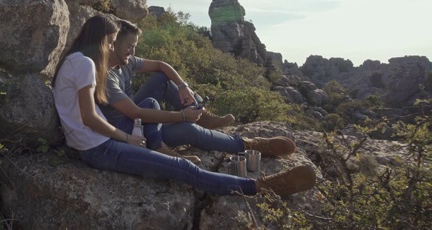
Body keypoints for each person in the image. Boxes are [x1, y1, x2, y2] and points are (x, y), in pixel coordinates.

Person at [52, 14, 316, 197]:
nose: (111, 48)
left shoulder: (79, 60)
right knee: (184, 169)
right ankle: (262, 186)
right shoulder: (87, 64)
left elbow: (90, 114)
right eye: (110, 42)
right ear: (101, 40)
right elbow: (90, 118)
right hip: (99, 146)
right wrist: (127, 138)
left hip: (106, 137)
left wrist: (182, 87)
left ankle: (251, 144)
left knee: (185, 127)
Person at [100, 19, 297, 159]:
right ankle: (249, 144)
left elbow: (161, 65)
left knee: (163, 78)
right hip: (129, 132)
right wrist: (183, 117)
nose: (133, 52)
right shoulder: (106, 77)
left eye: (135, 46)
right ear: (113, 44)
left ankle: (204, 116)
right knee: (189, 130)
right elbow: (136, 112)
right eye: (130, 46)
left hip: (138, 117)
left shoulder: (126, 61)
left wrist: (183, 87)